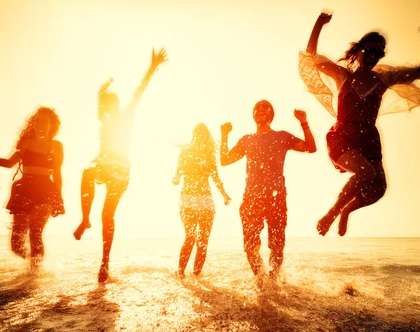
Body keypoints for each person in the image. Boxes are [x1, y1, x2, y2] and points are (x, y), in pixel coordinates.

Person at [299, 11, 420, 237]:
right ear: (359, 51)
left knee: (379, 189)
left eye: (379, 53)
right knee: (365, 173)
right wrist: (319, 24)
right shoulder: (342, 76)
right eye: (370, 51)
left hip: (368, 139)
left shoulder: (383, 79)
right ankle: (332, 213)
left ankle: (346, 211)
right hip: (342, 136)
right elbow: (311, 56)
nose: (374, 56)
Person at [73, 47, 168, 283]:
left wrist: (151, 68)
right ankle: (85, 219)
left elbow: (138, 93)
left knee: (107, 214)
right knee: (87, 172)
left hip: (121, 171)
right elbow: (99, 109)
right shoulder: (104, 120)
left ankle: (104, 263)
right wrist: (100, 94)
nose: (107, 110)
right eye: (105, 106)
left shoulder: (125, 116)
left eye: (110, 105)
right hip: (105, 166)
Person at [220, 100, 316, 281]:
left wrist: (304, 123)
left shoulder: (282, 136)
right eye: (257, 108)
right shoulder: (246, 140)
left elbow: (311, 148)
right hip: (251, 198)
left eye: (265, 108)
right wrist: (224, 135)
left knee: (277, 245)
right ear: (253, 115)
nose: (260, 110)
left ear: (271, 115)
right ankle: (262, 280)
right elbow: (225, 160)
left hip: (276, 197)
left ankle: (274, 280)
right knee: (250, 245)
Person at [0, 107, 64, 268]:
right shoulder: (26, 144)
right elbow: (8, 163)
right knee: (15, 244)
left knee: (35, 233)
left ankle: (35, 274)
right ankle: (30, 264)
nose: (39, 124)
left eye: (44, 121)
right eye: (37, 121)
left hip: (45, 190)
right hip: (24, 189)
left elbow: (57, 173)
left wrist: (58, 197)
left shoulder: (55, 146)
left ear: (51, 125)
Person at [173, 123, 231, 277]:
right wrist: (176, 177)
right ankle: (180, 274)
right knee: (190, 237)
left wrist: (224, 194)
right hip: (187, 199)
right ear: (193, 134)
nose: (198, 135)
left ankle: (196, 277)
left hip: (205, 200)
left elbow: (216, 178)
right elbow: (177, 175)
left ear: (206, 136)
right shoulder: (185, 152)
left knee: (203, 241)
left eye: (202, 133)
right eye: (196, 132)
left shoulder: (209, 155)